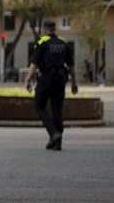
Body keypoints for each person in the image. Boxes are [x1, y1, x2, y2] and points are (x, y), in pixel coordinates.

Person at [26, 21, 77, 151]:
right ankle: (57, 142)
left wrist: (28, 79)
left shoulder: (42, 42)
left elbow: (34, 63)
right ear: (54, 29)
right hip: (60, 79)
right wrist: (74, 83)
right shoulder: (63, 43)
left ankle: (53, 133)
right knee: (57, 109)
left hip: (46, 78)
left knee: (39, 105)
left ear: (45, 29)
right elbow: (71, 66)